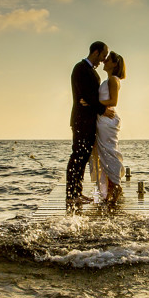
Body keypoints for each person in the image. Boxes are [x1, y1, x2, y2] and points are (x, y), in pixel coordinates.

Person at [66, 41, 113, 209]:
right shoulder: (80, 69)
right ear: (96, 52)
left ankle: (76, 192)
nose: (104, 58)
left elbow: (90, 98)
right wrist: (102, 109)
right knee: (77, 156)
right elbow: (86, 95)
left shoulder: (91, 71)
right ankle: (72, 195)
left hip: (89, 119)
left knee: (83, 158)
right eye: (103, 54)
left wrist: (93, 103)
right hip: (81, 119)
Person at [90, 51, 126, 204]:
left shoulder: (113, 80)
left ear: (115, 64)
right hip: (103, 118)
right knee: (105, 153)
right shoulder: (109, 79)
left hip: (107, 119)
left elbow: (113, 101)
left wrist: (92, 104)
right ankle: (110, 190)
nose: (104, 61)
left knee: (108, 152)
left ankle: (116, 184)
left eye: (108, 59)